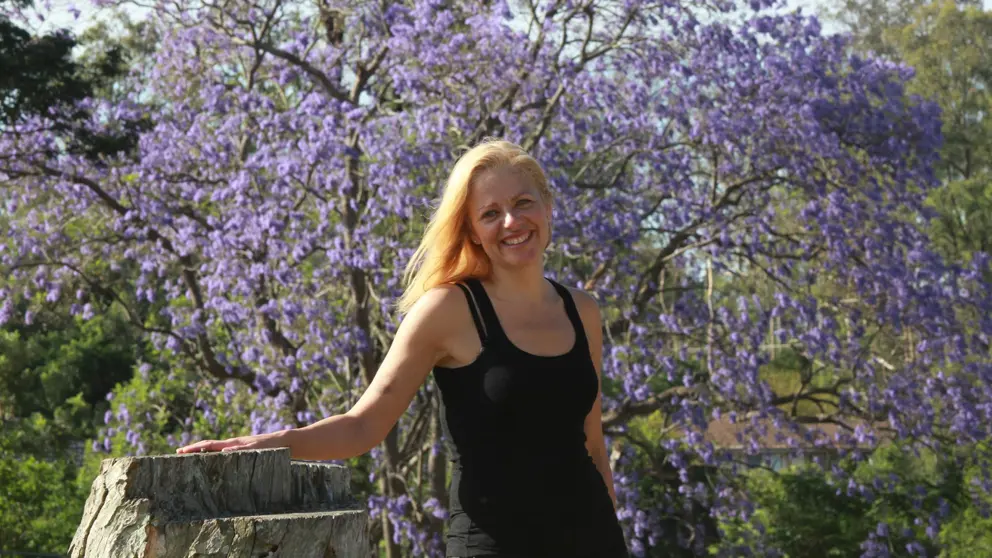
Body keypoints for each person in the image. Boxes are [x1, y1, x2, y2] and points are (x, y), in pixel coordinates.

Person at [177, 138, 630, 558]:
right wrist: (265, 444)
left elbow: (591, 443)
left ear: (548, 207)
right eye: (490, 213)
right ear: (471, 230)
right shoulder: (448, 310)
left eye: (523, 203)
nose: (511, 222)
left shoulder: (582, 311)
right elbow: (362, 426)